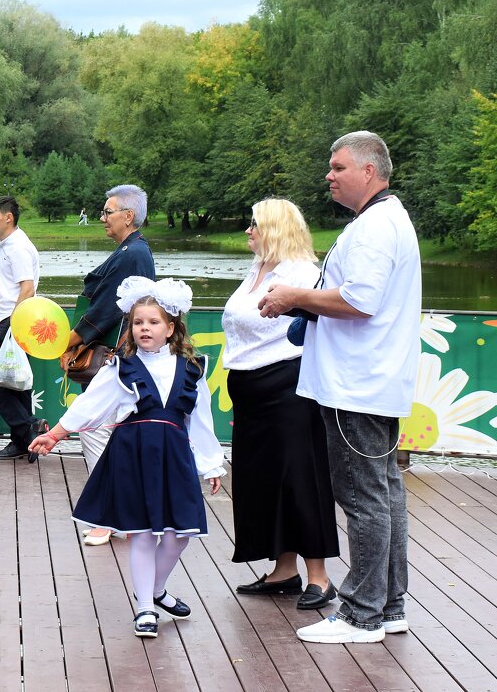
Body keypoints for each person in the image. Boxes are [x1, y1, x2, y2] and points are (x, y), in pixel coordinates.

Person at [258, 131, 420, 644]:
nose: (329, 175)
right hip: (369, 379)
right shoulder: (384, 220)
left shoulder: (375, 227)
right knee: (384, 494)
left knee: (364, 497)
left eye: (338, 167)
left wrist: (294, 295)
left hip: (356, 384)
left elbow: (360, 301)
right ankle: (388, 606)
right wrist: (306, 300)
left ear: (369, 171)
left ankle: (361, 614)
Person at [31, 277, 224, 638]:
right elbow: (91, 405)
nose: (144, 329)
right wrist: (56, 433)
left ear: (171, 327)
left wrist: (211, 462)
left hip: (175, 455)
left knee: (179, 535)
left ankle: (156, 590)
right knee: (141, 533)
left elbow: (200, 419)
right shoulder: (120, 368)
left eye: (153, 322)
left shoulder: (193, 368)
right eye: (138, 323)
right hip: (134, 453)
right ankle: (145, 608)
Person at [222, 199, 339, 609]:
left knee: (299, 478)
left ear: (275, 228)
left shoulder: (304, 275)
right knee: (263, 479)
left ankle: (319, 577)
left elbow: (323, 325)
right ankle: (283, 569)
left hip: (288, 387)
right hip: (250, 388)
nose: (248, 231)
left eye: (254, 224)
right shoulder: (256, 270)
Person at [63, 184, 155, 545]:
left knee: (98, 429)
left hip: (114, 358)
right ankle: (119, 512)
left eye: (107, 212)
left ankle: (109, 516)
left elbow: (109, 308)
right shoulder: (132, 251)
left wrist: (73, 339)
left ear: (128, 216)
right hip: (117, 356)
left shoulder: (133, 254)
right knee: (106, 431)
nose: (103, 218)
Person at [0, 196, 41, 461]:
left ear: (8, 217)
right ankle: (23, 442)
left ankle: (29, 429)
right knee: (17, 386)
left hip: (13, 321)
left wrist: (12, 329)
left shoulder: (17, 247)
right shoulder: (7, 243)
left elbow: (27, 289)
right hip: (8, 320)